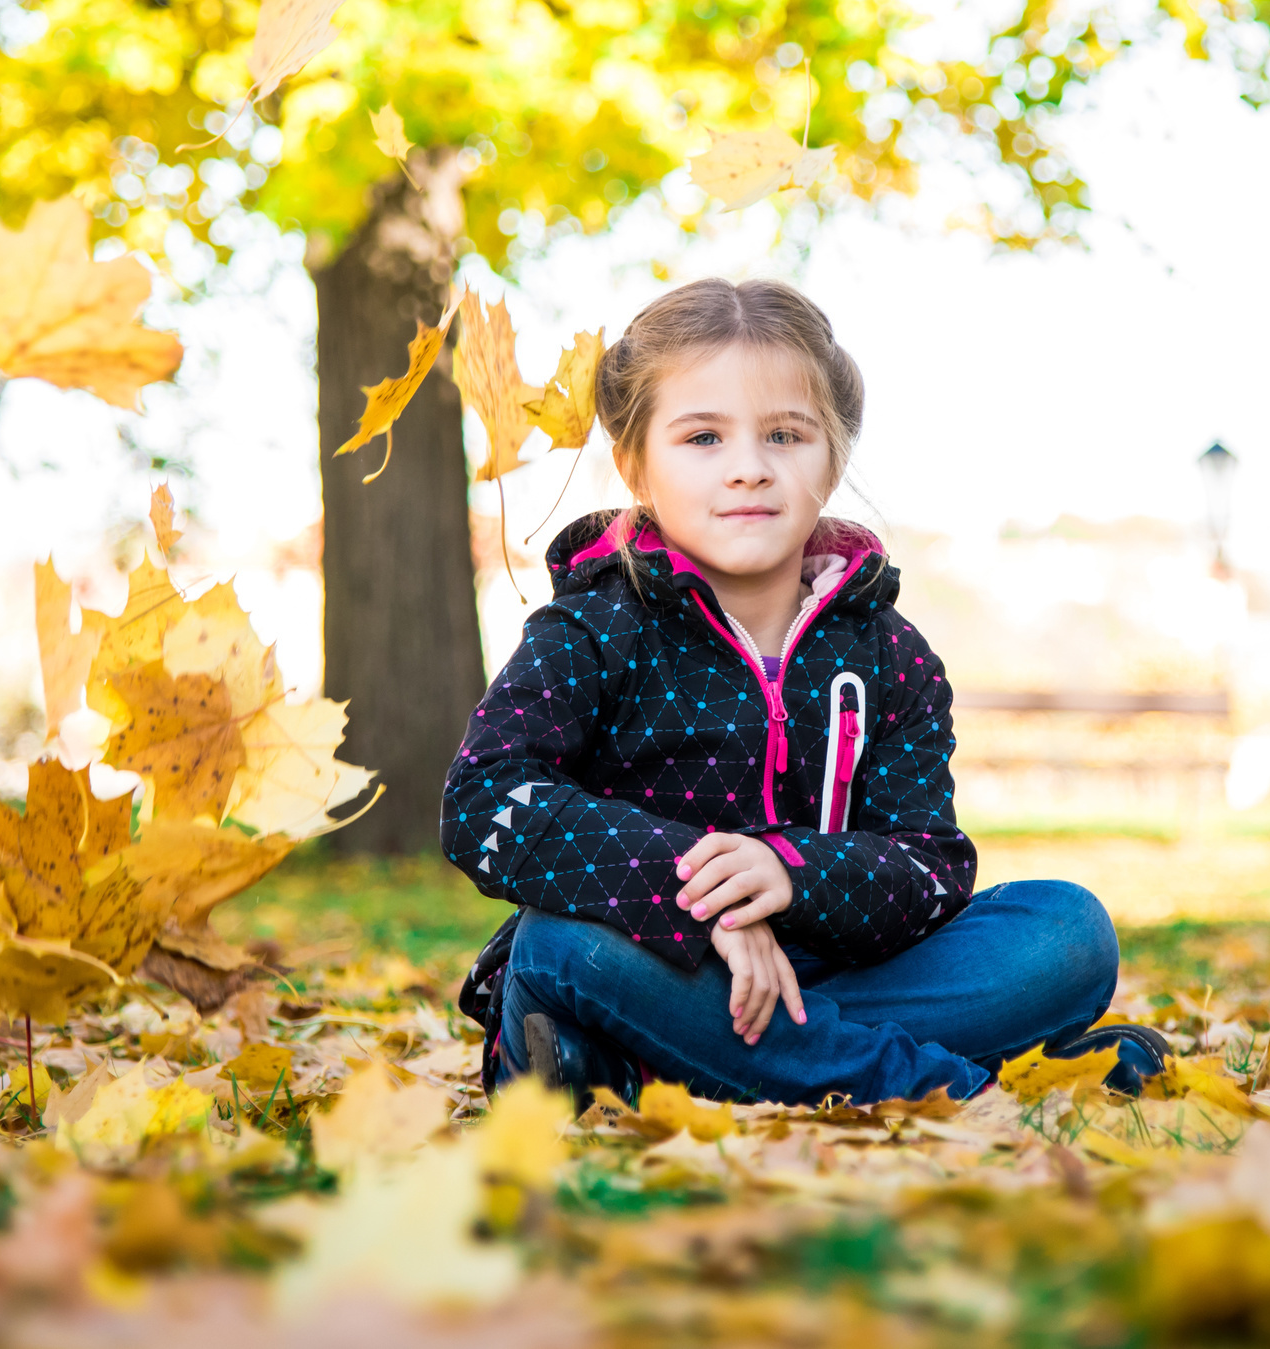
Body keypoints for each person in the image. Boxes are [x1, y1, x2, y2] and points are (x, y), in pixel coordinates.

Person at [442, 277, 1168, 1107]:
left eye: (785, 434)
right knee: (558, 946)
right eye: (703, 437)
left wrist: (788, 871)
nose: (749, 468)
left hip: (830, 974)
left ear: (834, 459)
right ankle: (963, 1089)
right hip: (646, 959)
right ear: (635, 462)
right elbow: (482, 800)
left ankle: (684, 1069)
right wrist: (703, 897)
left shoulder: (893, 657)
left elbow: (928, 868)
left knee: (1067, 933)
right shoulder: (591, 629)